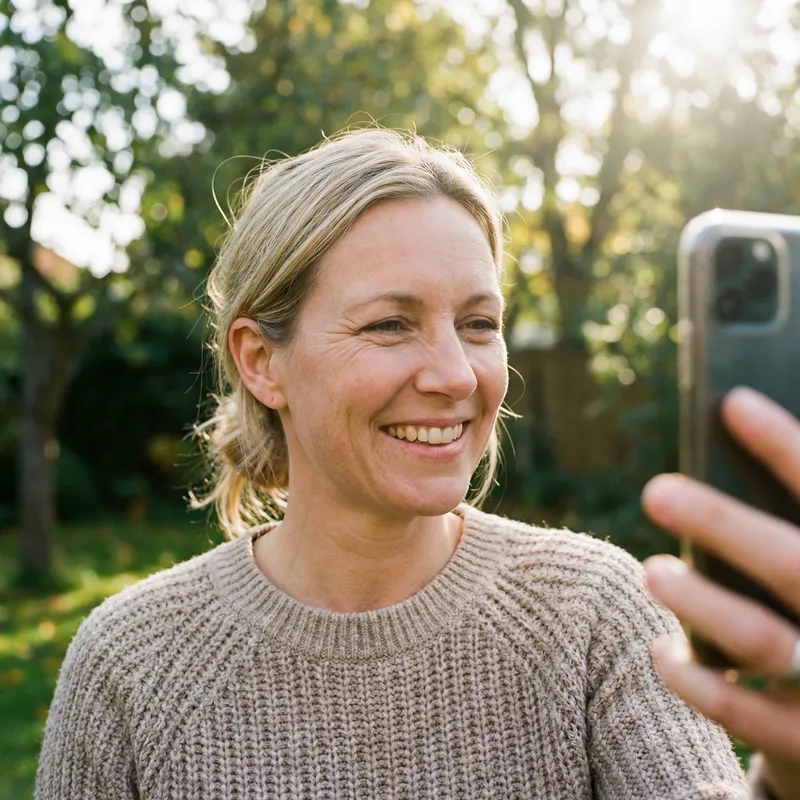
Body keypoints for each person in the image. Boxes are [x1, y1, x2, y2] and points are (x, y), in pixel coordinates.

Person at [34, 129, 799, 799]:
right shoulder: (129, 664)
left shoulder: (595, 614)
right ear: (262, 361)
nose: (457, 376)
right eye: (391, 323)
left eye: (478, 322)